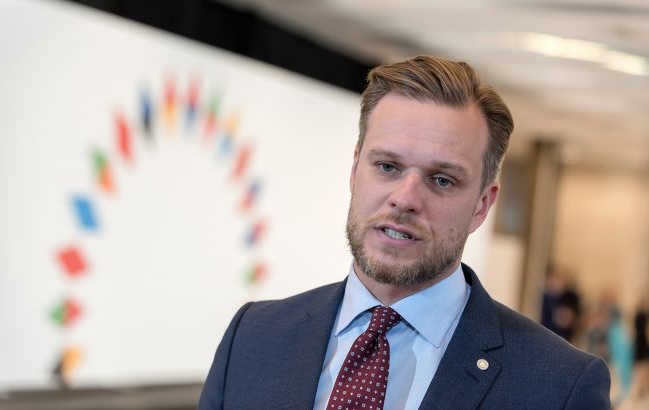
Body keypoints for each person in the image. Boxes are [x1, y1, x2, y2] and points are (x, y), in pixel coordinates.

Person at [198, 55, 610, 409]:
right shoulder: (253, 337)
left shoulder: (559, 385)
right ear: (355, 170)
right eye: (387, 167)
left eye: (442, 179)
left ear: (482, 204)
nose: (405, 198)